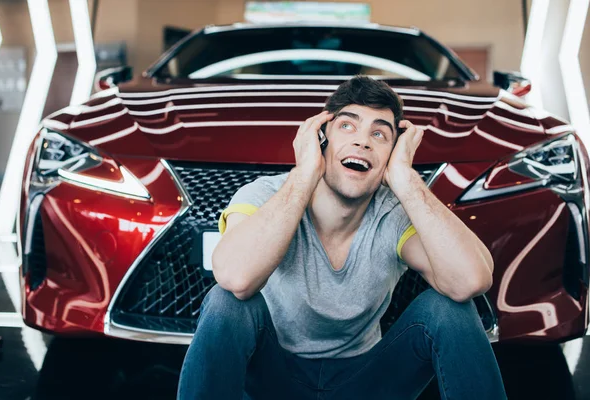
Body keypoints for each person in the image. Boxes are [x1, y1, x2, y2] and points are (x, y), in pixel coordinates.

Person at [177, 76, 507, 400]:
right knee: (225, 302)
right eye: (348, 126)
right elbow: (235, 277)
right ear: (322, 137)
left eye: (379, 133)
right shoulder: (265, 195)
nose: (362, 141)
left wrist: (408, 181)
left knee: (449, 310)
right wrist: (305, 174)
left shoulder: (393, 213)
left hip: (365, 384)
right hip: (272, 379)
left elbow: (470, 280)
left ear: (391, 154)